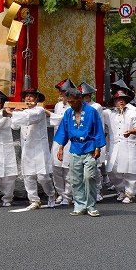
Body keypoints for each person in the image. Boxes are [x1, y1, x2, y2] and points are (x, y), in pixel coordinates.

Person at [54, 88, 106, 217]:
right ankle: (79, 205)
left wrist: (98, 147)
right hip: (75, 148)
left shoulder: (92, 112)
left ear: (80, 99)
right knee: (75, 179)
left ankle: (91, 205)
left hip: (89, 148)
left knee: (89, 177)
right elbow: (64, 131)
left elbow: (98, 130)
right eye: (68, 102)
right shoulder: (68, 113)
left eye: (72, 102)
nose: (70, 104)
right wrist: (60, 148)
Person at [11, 87, 56, 210]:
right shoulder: (22, 112)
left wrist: (14, 113)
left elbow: (29, 118)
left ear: (36, 99)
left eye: (31, 96)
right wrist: (16, 111)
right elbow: (14, 126)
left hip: (39, 148)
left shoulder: (39, 110)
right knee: (28, 176)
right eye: (26, 96)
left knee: (43, 177)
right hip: (27, 148)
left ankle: (51, 194)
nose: (28, 98)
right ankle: (34, 200)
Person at [105, 89, 136, 204]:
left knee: (129, 171)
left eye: (122, 99)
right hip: (115, 146)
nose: (121, 101)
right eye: (118, 100)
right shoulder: (110, 114)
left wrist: (131, 131)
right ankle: (121, 190)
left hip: (128, 145)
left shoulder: (132, 114)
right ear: (114, 102)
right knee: (113, 171)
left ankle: (130, 194)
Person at [48, 78, 76, 206]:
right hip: (57, 140)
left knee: (68, 170)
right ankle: (60, 193)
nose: (60, 93)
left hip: (69, 141)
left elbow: (63, 119)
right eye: (59, 91)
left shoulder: (74, 106)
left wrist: (47, 112)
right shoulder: (58, 105)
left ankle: (68, 195)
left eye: (63, 91)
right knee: (56, 169)